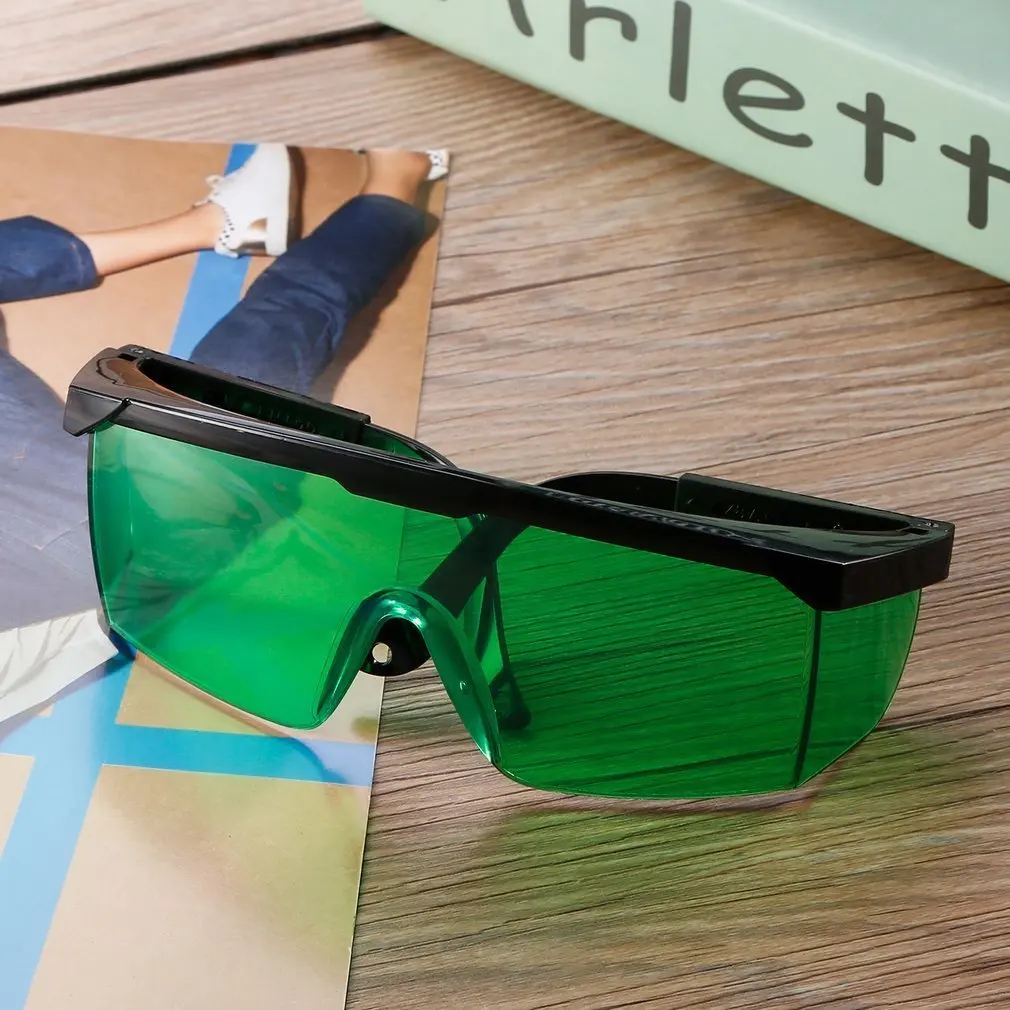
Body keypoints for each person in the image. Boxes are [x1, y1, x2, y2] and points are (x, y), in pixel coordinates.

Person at [0, 144, 448, 724]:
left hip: (126, 571)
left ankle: (241, 218)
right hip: (111, 548)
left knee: (260, 366)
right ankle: (248, 215)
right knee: (245, 383)